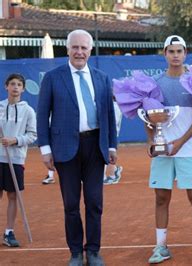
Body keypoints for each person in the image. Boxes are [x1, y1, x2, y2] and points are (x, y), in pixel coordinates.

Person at [37, 29, 117, 266]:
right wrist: (45, 149)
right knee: (71, 204)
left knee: (94, 202)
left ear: (90, 50)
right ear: (68, 49)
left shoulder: (102, 77)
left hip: (96, 146)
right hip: (64, 149)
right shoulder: (53, 77)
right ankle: (75, 253)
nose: (79, 52)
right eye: (75, 47)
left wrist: (112, 145)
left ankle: (93, 251)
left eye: (84, 48)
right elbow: (43, 115)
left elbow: (109, 115)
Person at [145, 35, 192, 265]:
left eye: (179, 51)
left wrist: (180, 143)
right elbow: (148, 118)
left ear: (185, 54)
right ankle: (161, 247)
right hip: (163, 152)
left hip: (188, 149)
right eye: (171, 51)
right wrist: (152, 141)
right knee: (161, 198)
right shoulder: (154, 83)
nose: (175, 55)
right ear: (164, 54)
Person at [0, 73, 37, 247]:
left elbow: (32, 135)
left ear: (23, 89)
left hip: (15, 159)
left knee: (13, 195)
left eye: (19, 84)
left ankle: (8, 232)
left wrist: (15, 140)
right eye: (12, 84)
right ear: (6, 86)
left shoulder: (28, 111)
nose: (15, 87)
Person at [103, 99, 123, 185]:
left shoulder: (114, 107)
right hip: (108, 134)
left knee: (104, 154)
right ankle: (114, 171)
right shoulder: (113, 106)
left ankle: (106, 176)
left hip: (109, 135)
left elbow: (111, 124)